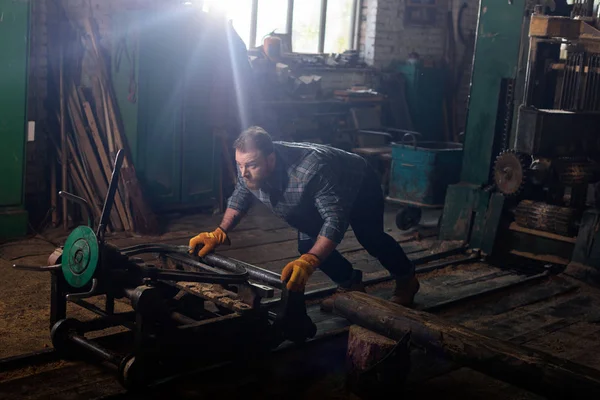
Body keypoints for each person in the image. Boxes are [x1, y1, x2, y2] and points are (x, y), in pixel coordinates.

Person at [189, 126, 420, 308]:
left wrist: (310, 262)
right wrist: (219, 232)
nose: (243, 172)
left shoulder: (310, 169)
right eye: (239, 165)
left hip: (358, 183)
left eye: (250, 165)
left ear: (270, 159)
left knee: (370, 237)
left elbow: (335, 220)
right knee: (308, 244)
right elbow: (241, 195)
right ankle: (351, 286)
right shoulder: (251, 164)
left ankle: (406, 278)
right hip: (313, 192)